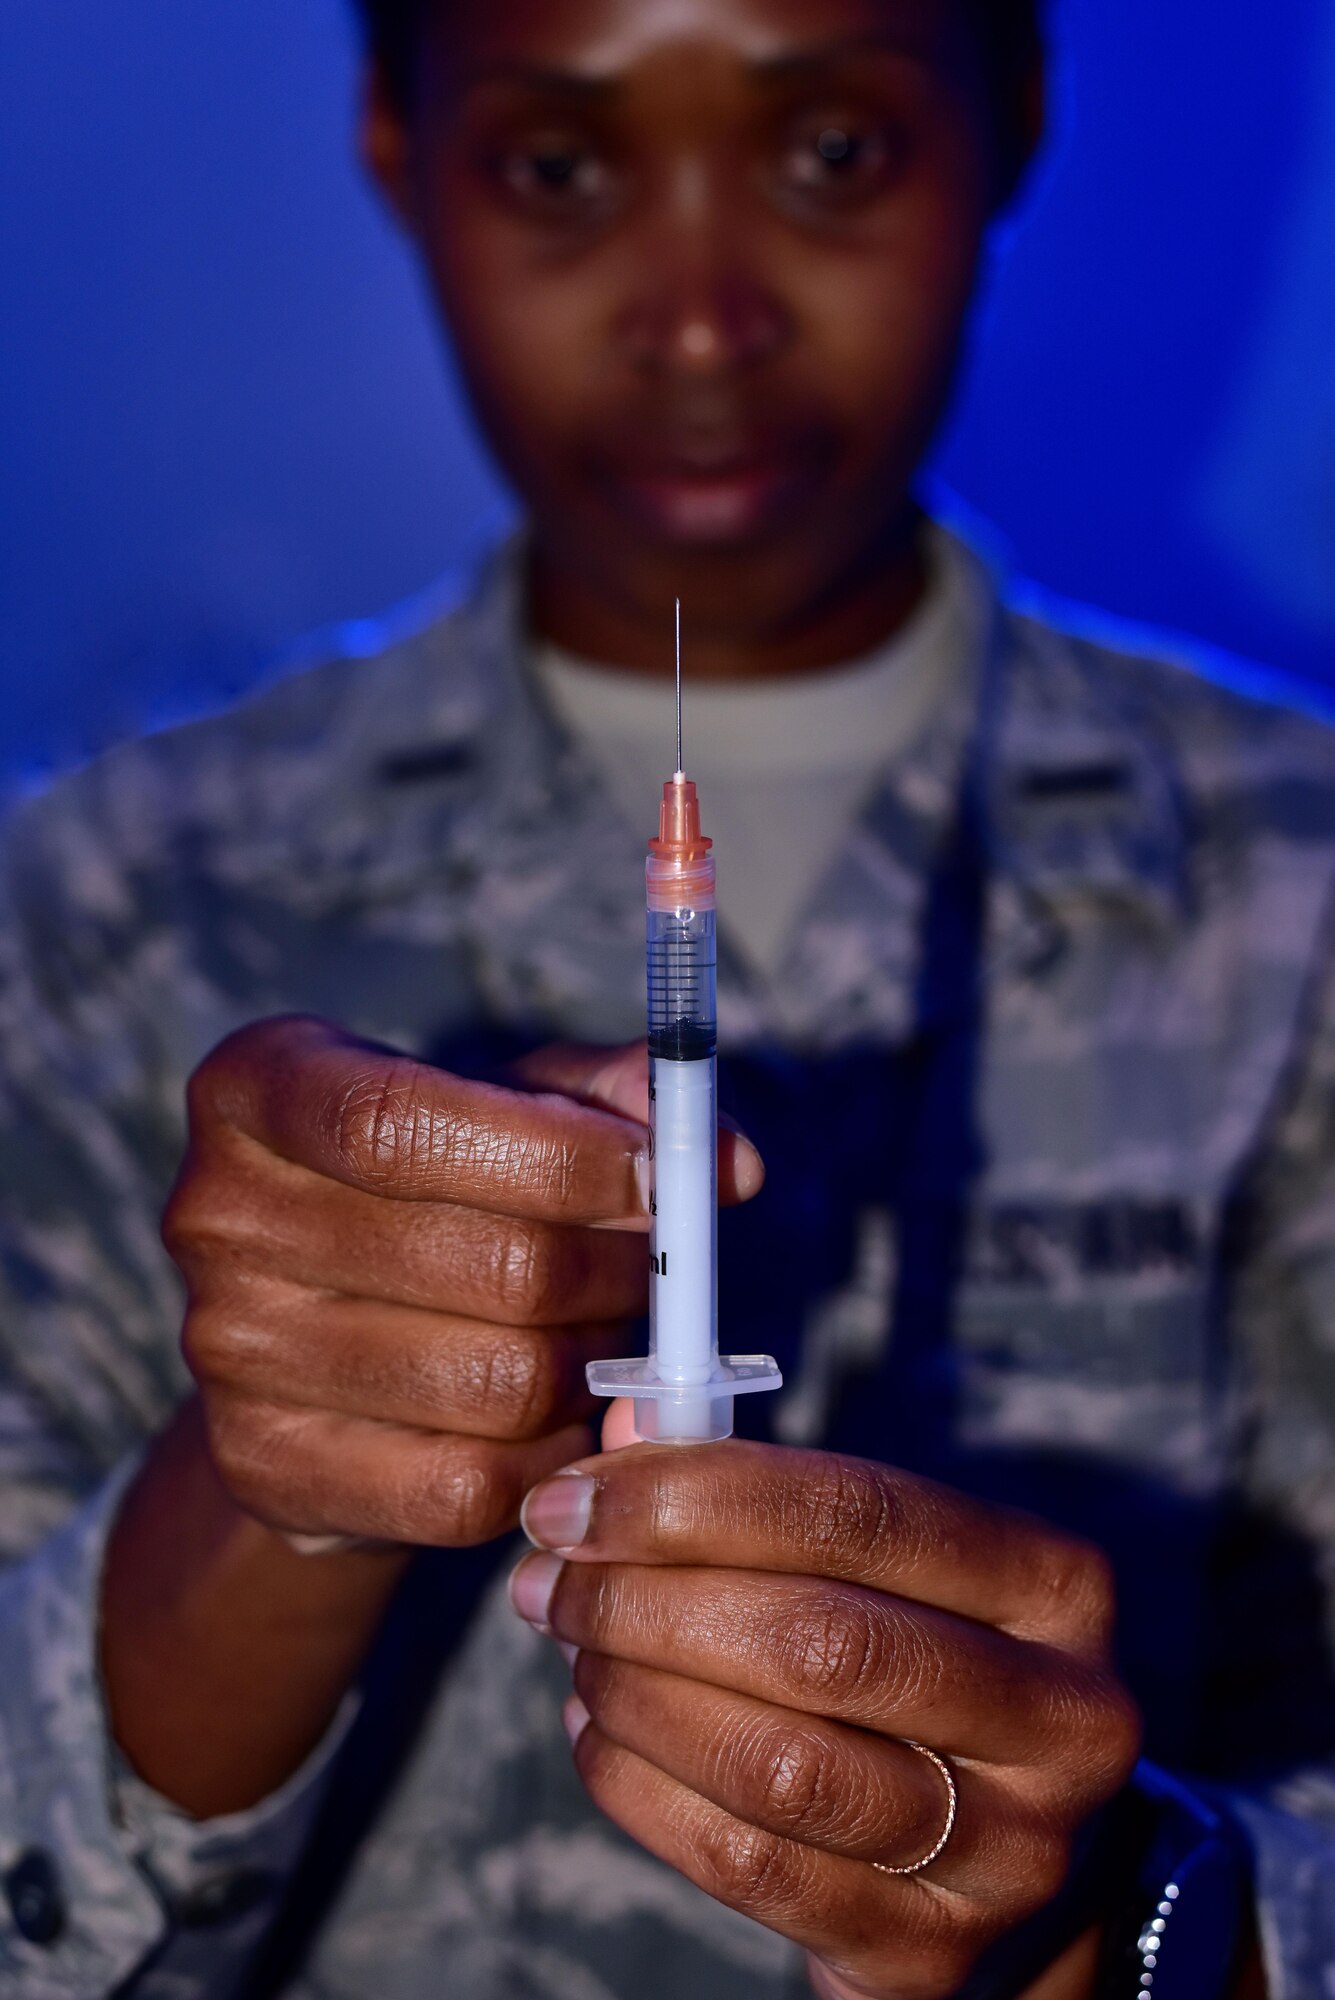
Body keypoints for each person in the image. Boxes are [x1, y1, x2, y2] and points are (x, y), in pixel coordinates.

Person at [0, 0, 1330, 1993]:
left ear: (1011, 123)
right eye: (559, 166)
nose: (700, 319)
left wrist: (1120, 1923)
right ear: (392, 143)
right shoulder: (94, 908)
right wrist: (269, 1482)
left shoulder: (1293, 894)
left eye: (831, 155)